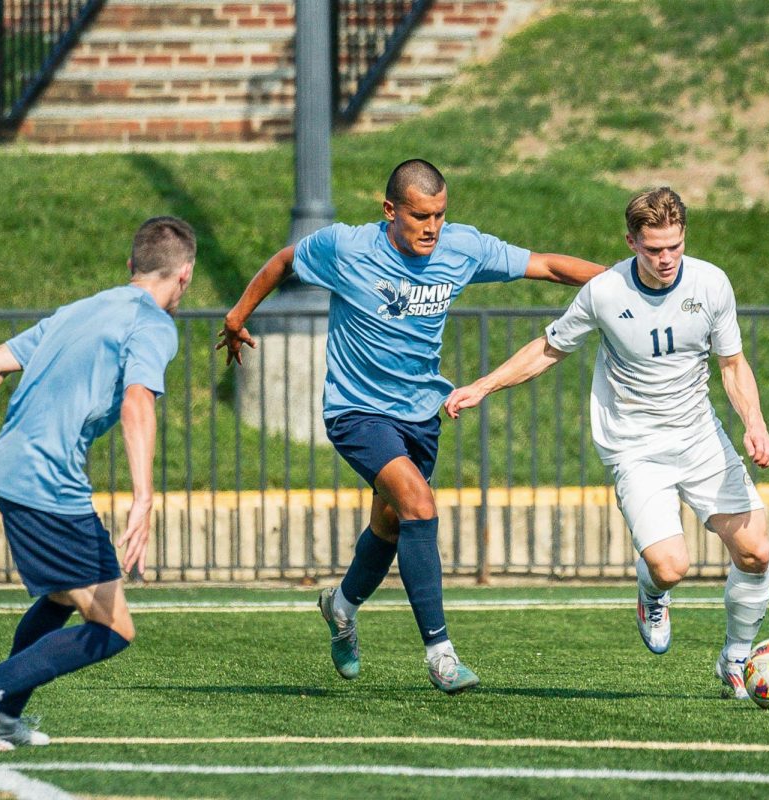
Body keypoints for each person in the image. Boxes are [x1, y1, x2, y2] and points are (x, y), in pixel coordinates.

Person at [217, 160, 603, 693]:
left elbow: (548, 266)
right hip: (356, 412)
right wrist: (237, 317)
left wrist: (629, 281)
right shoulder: (346, 248)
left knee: (392, 524)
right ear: (390, 210)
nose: (432, 228)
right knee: (420, 504)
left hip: (420, 413)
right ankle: (440, 654)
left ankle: (342, 606)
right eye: (420, 216)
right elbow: (285, 261)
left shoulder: (461, 248)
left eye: (440, 216)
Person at [445, 187, 769, 698]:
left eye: (674, 246)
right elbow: (548, 348)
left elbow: (732, 365)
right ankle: (651, 591)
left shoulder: (712, 284)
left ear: (684, 236)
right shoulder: (605, 291)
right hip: (635, 446)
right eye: (653, 249)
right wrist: (482, 386)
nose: (665, 259)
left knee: (756, 551)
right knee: (671, 567)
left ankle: (736, 657)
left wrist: (754, 423)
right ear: (631, 242)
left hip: (700, 439)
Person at [0, 216, 196, 751]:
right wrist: (143, 500)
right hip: (47, 480)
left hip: (13, 471)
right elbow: (137, 402)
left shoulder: (82, 309)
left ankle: (5, 712)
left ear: (131, 266)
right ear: (185, 277)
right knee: (112, 629)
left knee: (65, 596)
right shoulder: (154, 324)